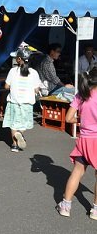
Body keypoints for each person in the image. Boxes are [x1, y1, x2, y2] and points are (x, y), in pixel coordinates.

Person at [56, 67, 97, 220]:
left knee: (77, 172)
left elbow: (68, 119)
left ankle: (65, 206)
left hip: (84, 140)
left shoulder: (81, 95)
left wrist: (81, 121)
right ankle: (95, 210)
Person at [2, 48, 41, 152]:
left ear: (19, 59)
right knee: (24, 123)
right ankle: (20, 133)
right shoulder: (34, 73)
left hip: (14, 101)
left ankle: (14, 145)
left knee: (13, 123)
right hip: (27, 103)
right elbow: (36, 89)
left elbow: (6, 86)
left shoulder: (12, 71)